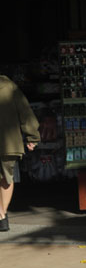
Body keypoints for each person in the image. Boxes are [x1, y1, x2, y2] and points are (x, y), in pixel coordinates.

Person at [0, 74, 40, 231]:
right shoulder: (10, 86)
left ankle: (1, 214)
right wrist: (32, 136)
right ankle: (2, 215)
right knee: (7, 178)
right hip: (9, 142)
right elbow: (25, 112)